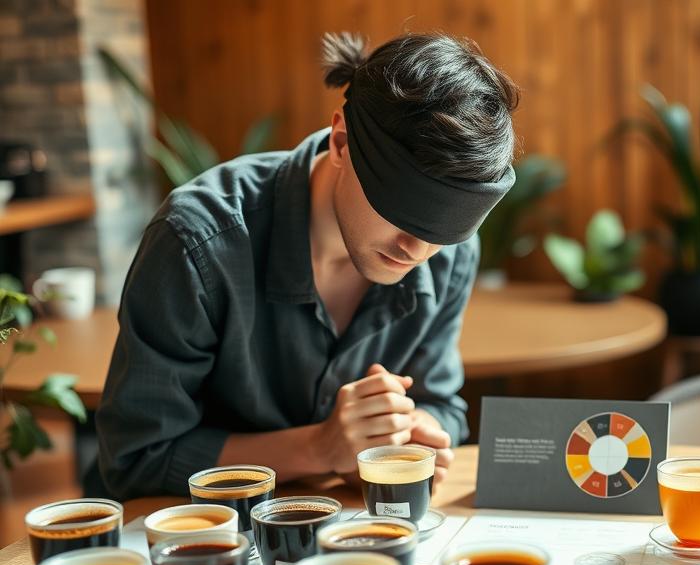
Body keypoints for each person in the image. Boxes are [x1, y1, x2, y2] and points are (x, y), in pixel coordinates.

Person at [88, 31, 519, 499]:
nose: (417, 250)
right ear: (340, 142)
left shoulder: (449, 256)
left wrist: (408, 433)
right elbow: (137, 459)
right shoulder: (197, 244)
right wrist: (318, 448)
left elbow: (441, 404)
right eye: (400, 213)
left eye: (443, 232)